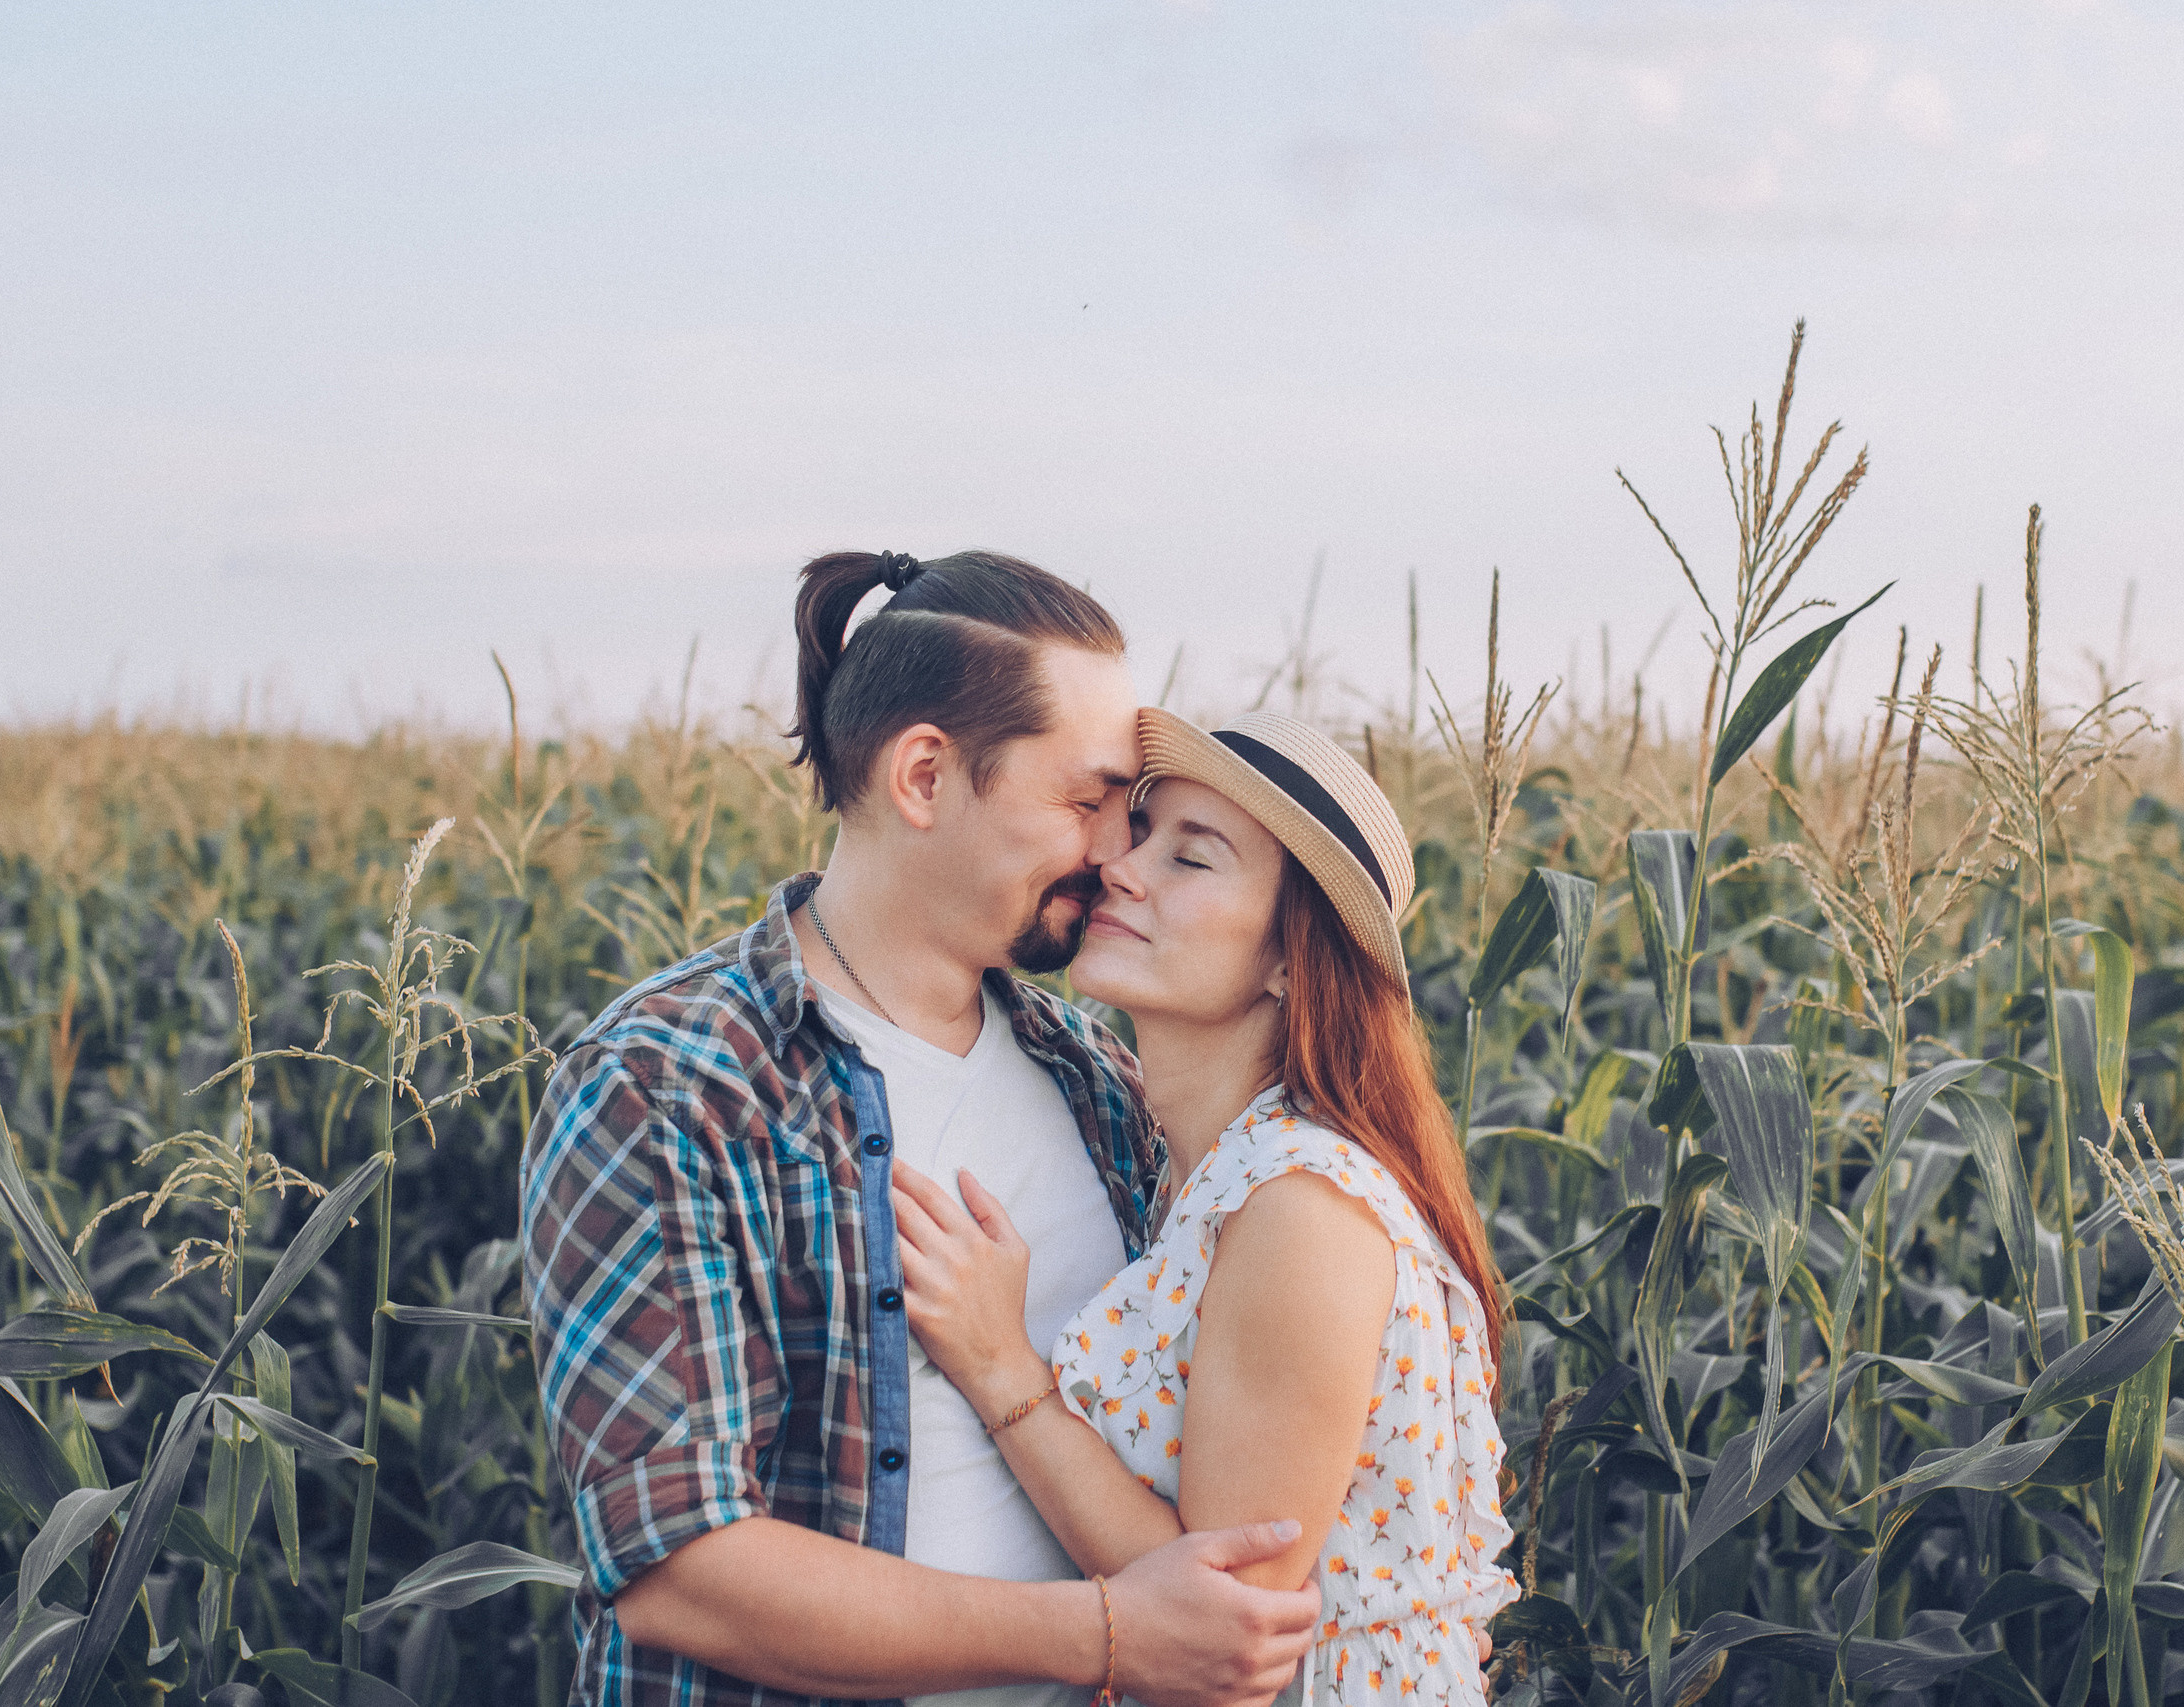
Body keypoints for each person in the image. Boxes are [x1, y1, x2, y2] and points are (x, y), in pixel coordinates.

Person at [522, 550, 1321, 1707]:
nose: (1113, 854)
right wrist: (1106, 1635)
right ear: (925, 776)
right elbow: (680, 1569)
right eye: (1085, 799)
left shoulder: (1096, 1076)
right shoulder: (671, 1084)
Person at [890, 708, 1521, 1705]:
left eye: (1193, 860)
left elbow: (1225, 1613)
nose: (1123, 870)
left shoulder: (1302, 1203)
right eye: (1141, 835)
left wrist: (997, 1362)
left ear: (1287, 959)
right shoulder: (1197, 1166)